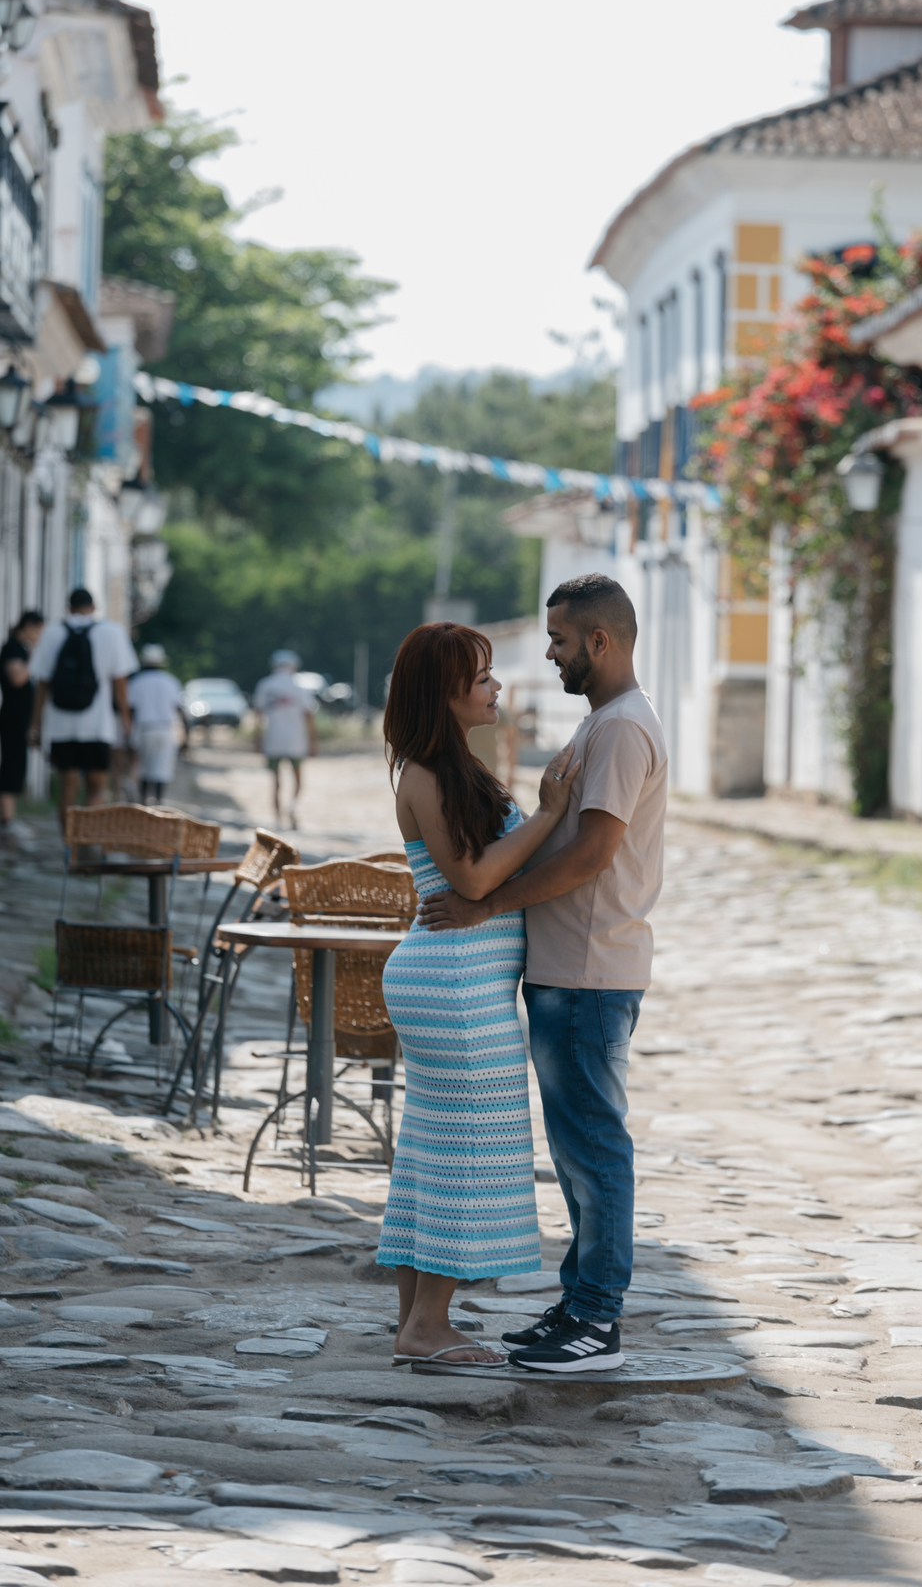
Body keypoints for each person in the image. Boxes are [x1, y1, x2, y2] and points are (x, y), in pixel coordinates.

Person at [419, 574, 668, 1374]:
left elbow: (594, 854)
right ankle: (578, 1304)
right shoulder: (602, 724)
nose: (551, 654)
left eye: (560, 640)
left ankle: (596, 1321)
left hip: (591, 971)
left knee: (596, 1150)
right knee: (577, 1152)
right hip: (569, 969)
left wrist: (487, 908)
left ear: (600, 641)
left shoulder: (623, 729)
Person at [377, 622, 580, 1369]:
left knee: (433, 1150)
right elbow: (472, 879)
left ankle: (413, 1324)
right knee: (469, 1148)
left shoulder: (453, 768)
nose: (496, 686)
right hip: (454, 984)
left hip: (457, 978)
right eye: (483, 676)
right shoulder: (424, 775)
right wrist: (553, 814)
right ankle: (428, 1325)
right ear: (445, 691)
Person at [27, 588, 138, 833]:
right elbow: (120, 683)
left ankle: (69, 847)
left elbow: (43, 684)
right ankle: (88, 841)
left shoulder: (52, 632)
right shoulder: (112, 632)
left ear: (68, 608)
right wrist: (127, 721)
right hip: (97, 724)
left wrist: (35, 724)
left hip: (60, 722)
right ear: (94, 607)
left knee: (67, 783)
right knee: (97, 785)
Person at [252, 650, 317, 830]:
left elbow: (257, 715)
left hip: (273, 739)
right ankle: (293, 805)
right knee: (297, 778)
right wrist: (313, 741)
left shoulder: (265, 685)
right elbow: (309, 715)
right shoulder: (301, 686)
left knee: (276, 782)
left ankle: (278, 819)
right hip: (296, 740)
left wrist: (257, 739)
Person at [0, 609, 44, 846]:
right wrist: (35, 657)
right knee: (12, 765)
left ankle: (9, 816)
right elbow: (17, 678)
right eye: (38, 630)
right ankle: (8, 818)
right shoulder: (13, 648)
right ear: (28, 626)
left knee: (17, 765)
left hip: (21, 718)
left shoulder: (20, 649)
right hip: (12, 718)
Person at [126, 644, 186, 805]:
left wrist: (128, 732)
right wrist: (186, 736)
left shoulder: (137, 682)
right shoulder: (171, 681)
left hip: (144, 729)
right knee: (162, 769)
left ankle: (143, 802)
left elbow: (131, 709)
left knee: (144, 769)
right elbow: (179, 710)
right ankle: (158, 803)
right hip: (165, 729)